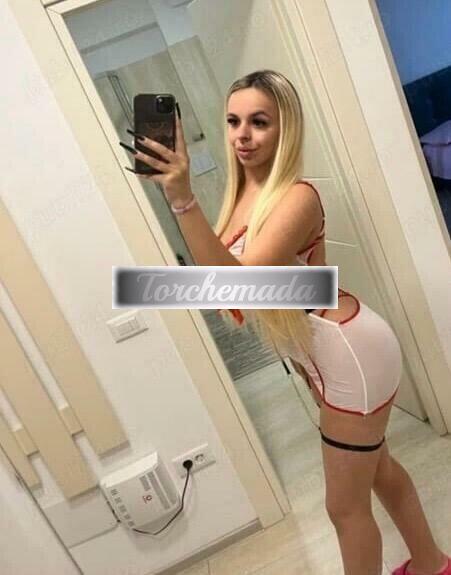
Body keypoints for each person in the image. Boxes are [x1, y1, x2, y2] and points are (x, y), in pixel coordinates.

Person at [120, 70, 450, 575]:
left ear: (286, 128)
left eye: (259, 122)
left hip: (350, 350)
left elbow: (237, 285)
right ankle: (431, 564)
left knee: (344, 508)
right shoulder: (240, 198)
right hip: (316, 354)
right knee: (378, 469)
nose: (242, 135)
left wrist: (181, 199)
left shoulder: (299, 197)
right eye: (233, 121)